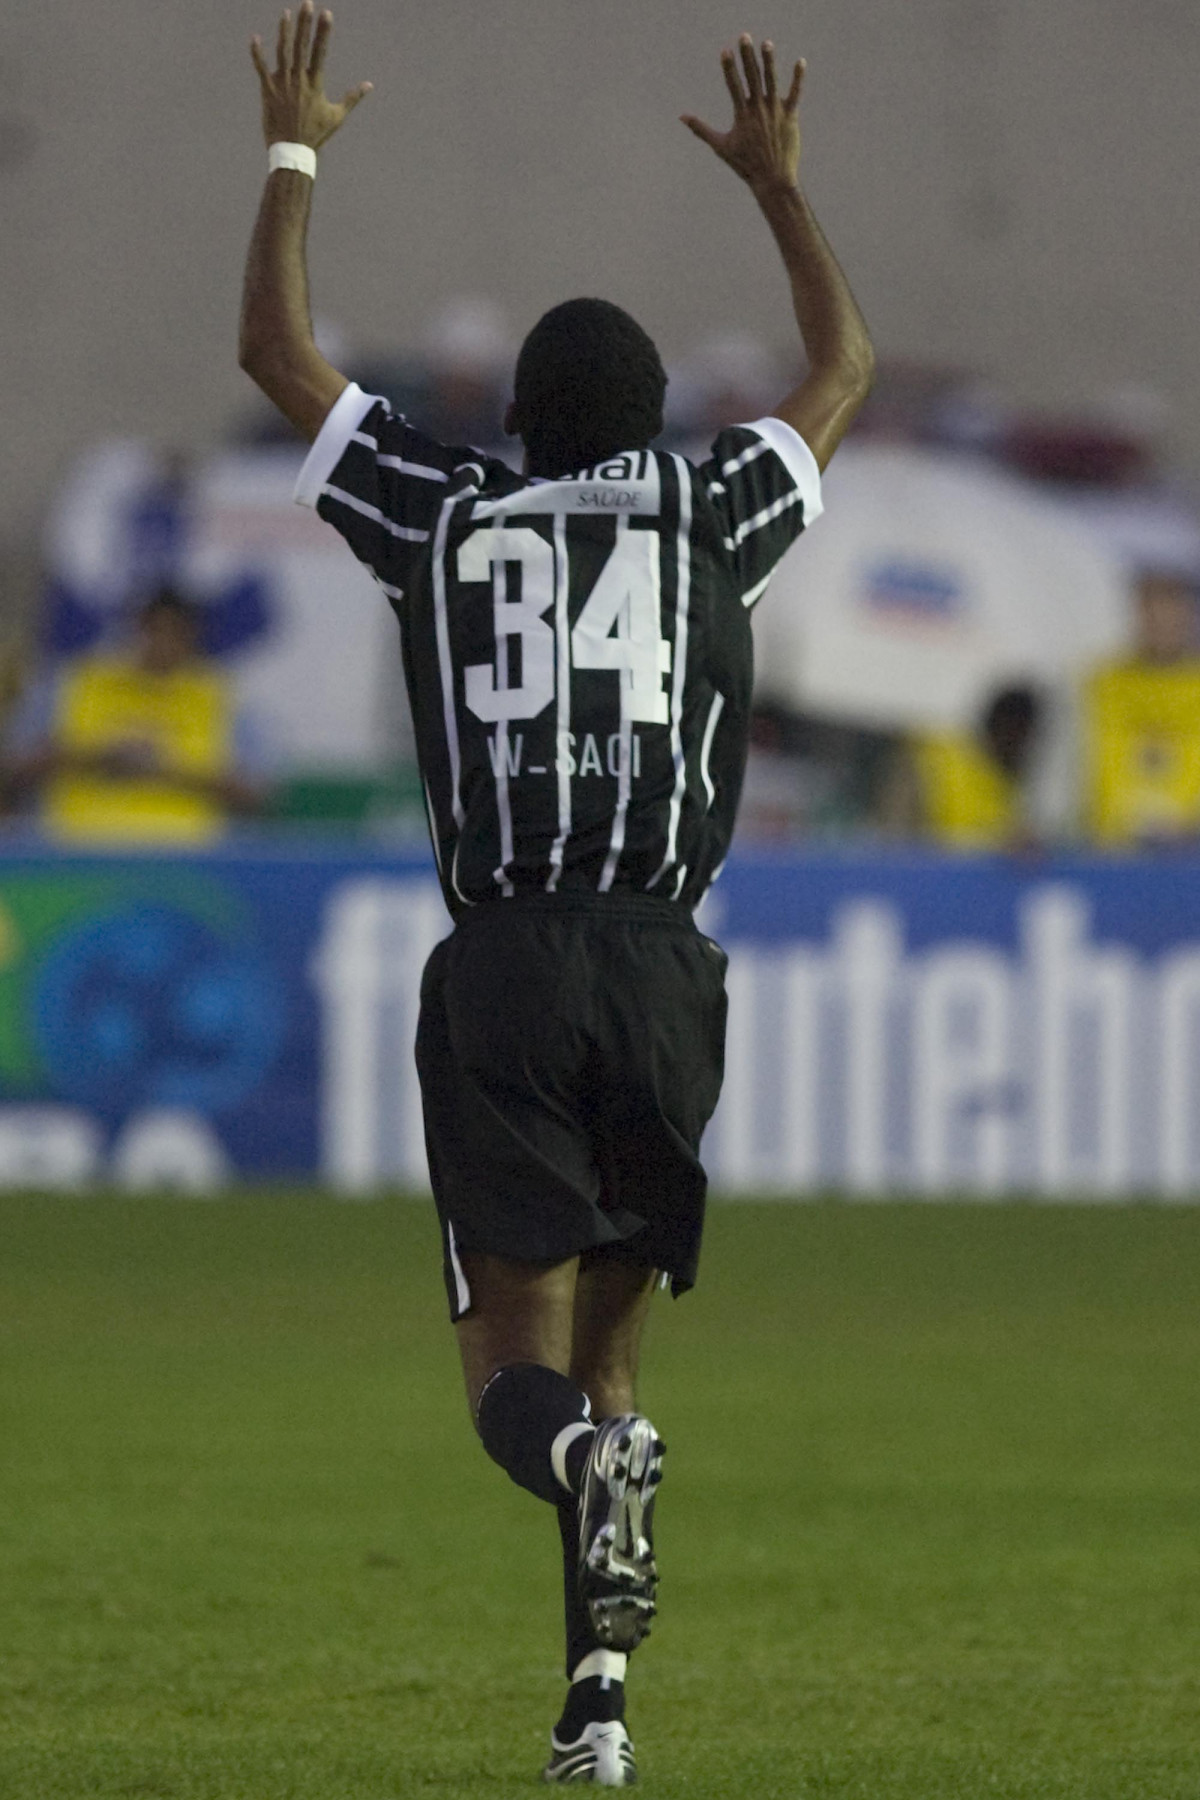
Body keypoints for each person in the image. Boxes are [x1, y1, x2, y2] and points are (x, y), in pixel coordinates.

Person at [240, 9, 872, 1784]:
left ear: (516, 424)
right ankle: (595, 1705)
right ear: (653, 418)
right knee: (615, 1365)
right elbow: (847, 372)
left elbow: (272, 349)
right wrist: (781, 194)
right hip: (670, 973)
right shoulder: (710, 511)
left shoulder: (446, 515)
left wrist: (293, 151)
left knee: (515, 1380)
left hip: (508, 965)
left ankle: (588, 1546)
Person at [3, 588, 270, 843]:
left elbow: (255, 796)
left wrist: (168, 767)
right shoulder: (79, 681)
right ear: (136, 628)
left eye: (177, 634)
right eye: (155, 630)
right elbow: (15, 770)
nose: (164, 644)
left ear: (194, 638)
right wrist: (98, 754)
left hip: (186, 853)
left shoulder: (219, 695)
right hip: (76, 844)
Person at [1082, 571, 1200, 847]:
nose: (1159, 620)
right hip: (1111, 853)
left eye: (1170, 607)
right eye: (1149, 608)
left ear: (1188, 614)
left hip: (1189, 856)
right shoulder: (1101, 683)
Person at [881, 685, 1044, 851]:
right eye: (1017, 733)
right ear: (1002, 725)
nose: (1023, 745)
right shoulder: (940, 760)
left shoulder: (1008, 784)